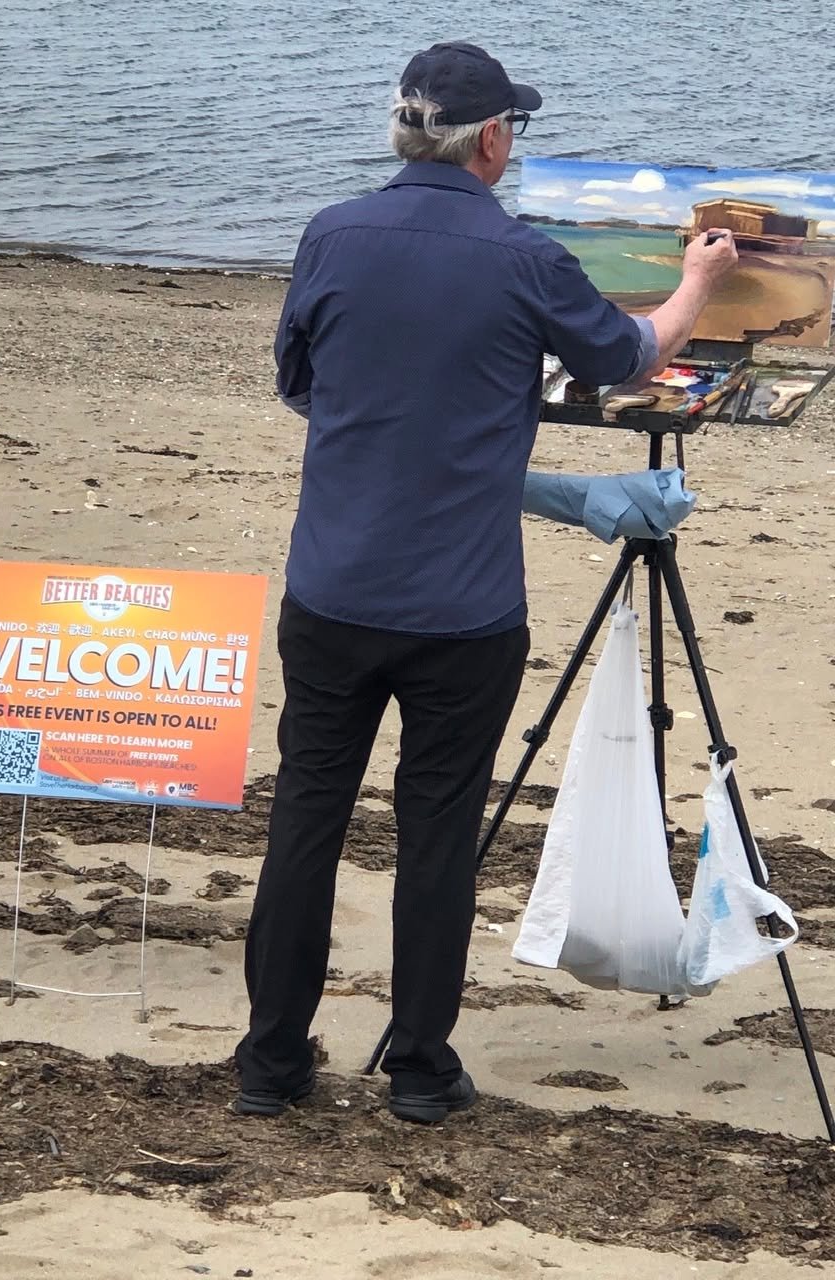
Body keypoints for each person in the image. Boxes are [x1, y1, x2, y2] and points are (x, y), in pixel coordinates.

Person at [234, 40, 738, 1123]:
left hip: (330, 588)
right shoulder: (522, 256)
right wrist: (696, 279)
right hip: (461, 611)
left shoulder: (332, 233)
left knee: (307, 818)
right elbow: (632, 359)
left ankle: (270, 1062)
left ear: (404, 130)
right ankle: (419, 1067)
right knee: (435, 831)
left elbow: (302, 384)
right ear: (494, 140)